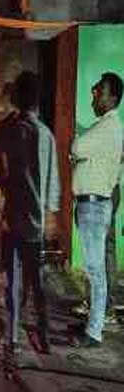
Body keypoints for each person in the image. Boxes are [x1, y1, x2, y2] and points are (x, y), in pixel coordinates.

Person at [0, 71, 60, 353]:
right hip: (36, 222)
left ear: (18, 98)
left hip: (12, 218)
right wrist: (50, 215)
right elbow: (54, 180)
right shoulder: (47, 135)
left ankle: (12, 339)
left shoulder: (11, 130)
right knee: (38, 282)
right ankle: (43, 334)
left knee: (13, 282)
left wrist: (1, 180)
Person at [70, 71, 124, 348]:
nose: (93, 92)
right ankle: (93, 323)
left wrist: (76, 152)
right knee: (96, 270)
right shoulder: (105, 126)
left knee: (96, 271)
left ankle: (93, 332)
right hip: (91, 205)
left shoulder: (108, 126)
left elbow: (77, 146)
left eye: (99, 90)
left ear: (113, 97)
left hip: (94, 206)